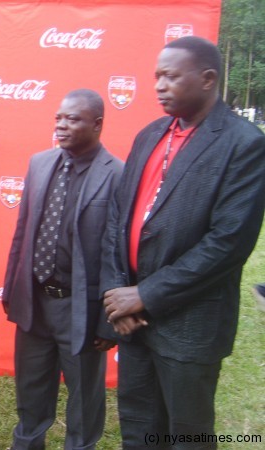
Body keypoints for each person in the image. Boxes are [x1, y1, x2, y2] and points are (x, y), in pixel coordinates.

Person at [101, 36, 265, 448]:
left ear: (207, 79)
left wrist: (146, 295)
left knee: (187, 435)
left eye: (171, 76)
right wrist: (116, 296)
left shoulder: (243, 143)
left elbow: (228, 242)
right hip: (132, 322)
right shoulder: (149, 134)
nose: (158, 85)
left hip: (189, 325)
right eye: (156, 76)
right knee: (138, 429)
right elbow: (117, 219)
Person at [2, 89, 123, 450]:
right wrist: (12, 290)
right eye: (58, 118)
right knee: (31, 393)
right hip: (36, 302)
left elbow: (116, 252)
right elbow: (22, 232)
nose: (61, 125)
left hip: (81, 309)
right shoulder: (40, 163)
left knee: (84, 401)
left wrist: (107, 319)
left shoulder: (117, 173)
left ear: (98, 124)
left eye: (72, 119)